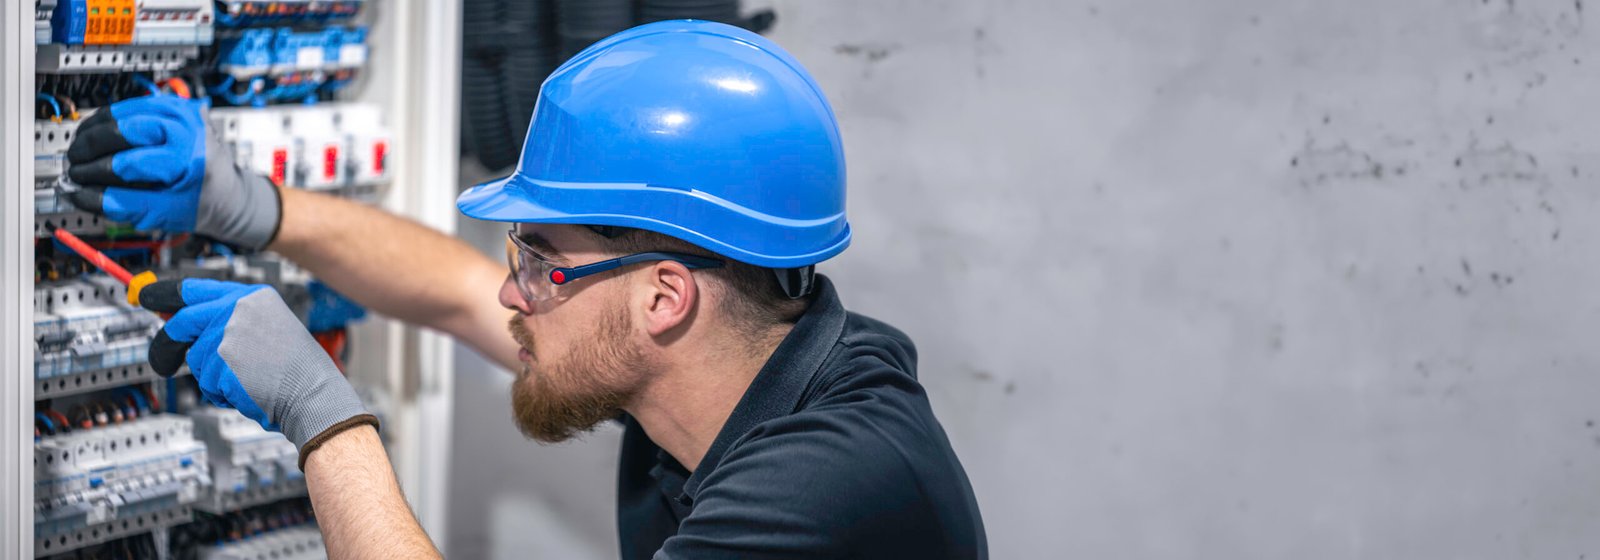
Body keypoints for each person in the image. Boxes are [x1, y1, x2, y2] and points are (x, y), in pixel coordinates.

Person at [65, 20, 986, 559]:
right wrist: (247, 204)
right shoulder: (762, 359)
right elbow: (457, 292)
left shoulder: (819, 498)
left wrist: (323, 418)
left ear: (666, 298)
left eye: (541, 263)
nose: (513, 296)